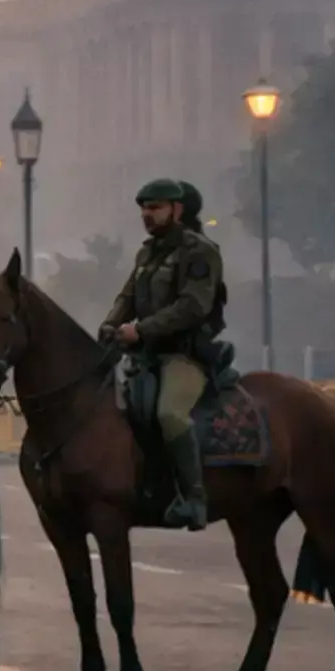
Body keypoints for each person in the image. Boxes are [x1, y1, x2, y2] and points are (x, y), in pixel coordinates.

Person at [101, 176, 227, 529]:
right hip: (145, 356)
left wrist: (140, 330)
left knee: (170, 413)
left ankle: (194, 498)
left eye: (155, 207)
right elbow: (127, 297)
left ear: (178, 209)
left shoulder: (200, 251)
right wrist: (110, 325)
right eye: (144, 207)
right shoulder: (147, 253)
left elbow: (193, 307)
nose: (147, 214)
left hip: (184, 356)